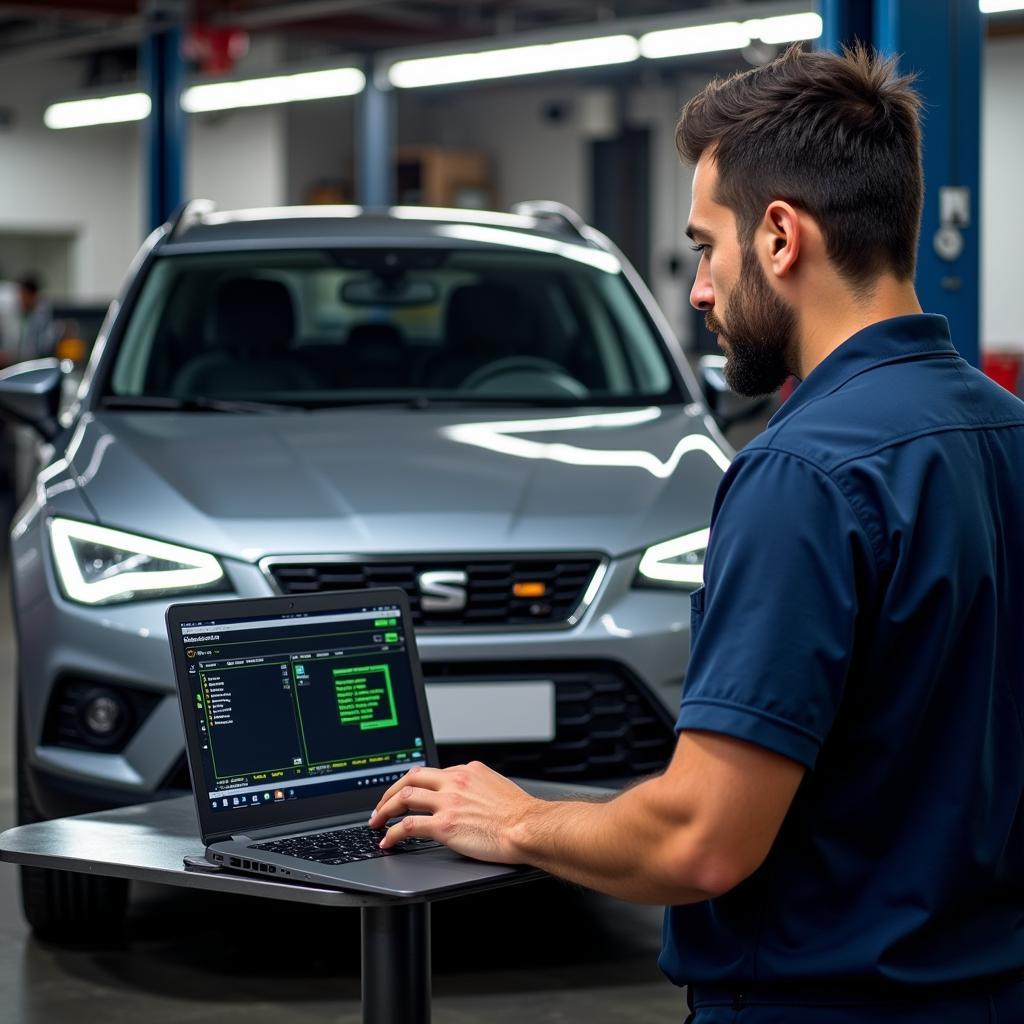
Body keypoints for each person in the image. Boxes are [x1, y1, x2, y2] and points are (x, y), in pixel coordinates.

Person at [369, 45, 1024, 1023]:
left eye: (704, 246)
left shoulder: (801, 474)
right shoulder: (1002, 432)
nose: (701, 292)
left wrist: (517, 818)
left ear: (777, 236)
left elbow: (699, 841)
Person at [16, 272, 57, 362]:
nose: (20, 299)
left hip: (38, 365)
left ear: (32, 295)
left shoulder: (43, 317)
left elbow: (41, 347)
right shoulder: (25, 315)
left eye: (23, 296)